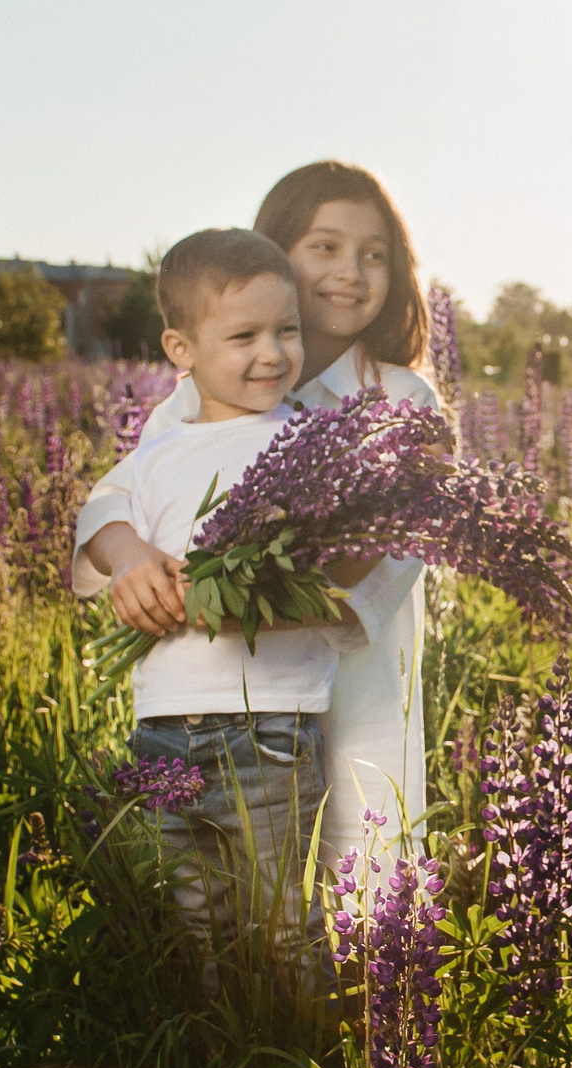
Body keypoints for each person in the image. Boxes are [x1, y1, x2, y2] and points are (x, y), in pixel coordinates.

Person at [72, 228, 374, 990]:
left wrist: (241, 600)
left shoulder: (307, 441)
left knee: (284, 923)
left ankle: (306, 1062)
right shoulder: (159, 446)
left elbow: (340, 568)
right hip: (166, 725)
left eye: (288, 331)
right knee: (197, 921)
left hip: (270, 723)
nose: (272, 354)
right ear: (182, 348)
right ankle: (220, 1054)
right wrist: (127, 556)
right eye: (244, 335)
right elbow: (99, 517)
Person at [148, 162, 440, 874]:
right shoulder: (203, 393)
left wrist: (199, 599)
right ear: (273, 253)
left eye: (375, 254)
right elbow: (143, 519)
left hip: (357, 704)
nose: (352, 271)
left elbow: (354, 584)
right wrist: (145, 571)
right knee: (227, 916)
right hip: (214, 713)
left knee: (361, 901)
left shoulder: (404, 401)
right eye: (325, 246)